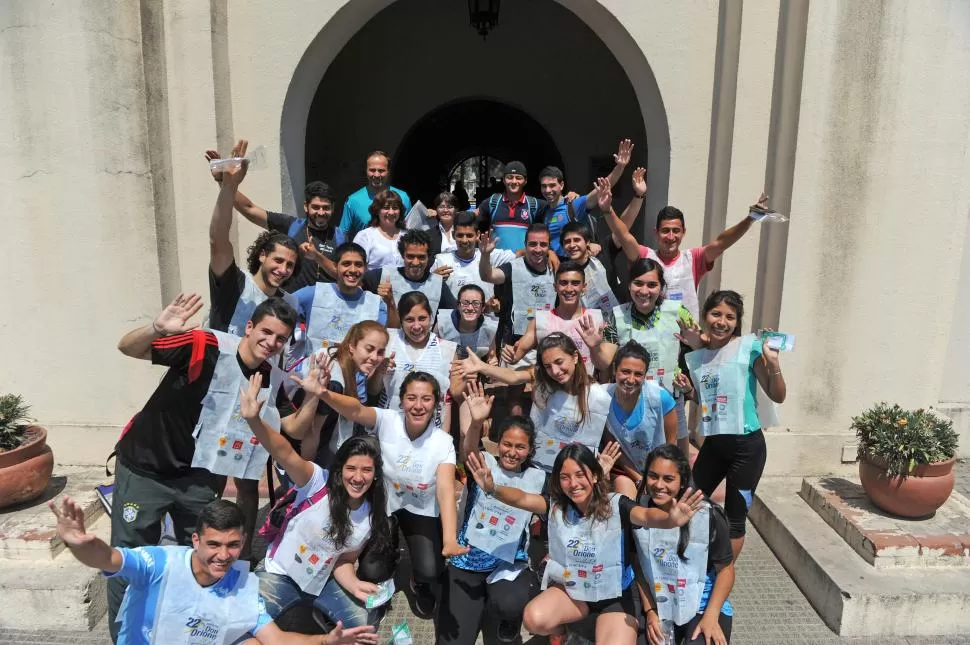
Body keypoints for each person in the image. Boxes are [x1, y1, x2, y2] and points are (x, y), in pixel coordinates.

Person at [109, 295, 316, 640]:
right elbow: (128, 348)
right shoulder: (205, 345)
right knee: (129, 561)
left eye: (281, 338)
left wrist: (314, 396)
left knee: (207, 557)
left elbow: (291, 427)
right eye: (266, 332)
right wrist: (156, 328)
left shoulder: (271, 377)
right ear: (249, 327)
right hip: (146, 468)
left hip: (202, 478)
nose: (272, 342)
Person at [50, 496, 377, 645]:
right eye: (213, 544)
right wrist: (79, 544)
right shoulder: (160, 562)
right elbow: (107, 559)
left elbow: (276, 639)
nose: (223, 555)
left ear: (244, 541)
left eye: (233, 545)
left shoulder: (244, 585)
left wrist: (326, 641)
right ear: (195, 540)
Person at [465, 443, 704, 645]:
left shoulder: (616, 505)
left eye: (580, 474)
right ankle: (561, 631)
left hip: (615, 594)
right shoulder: (557, 506)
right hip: (575, 590)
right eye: (565, 477)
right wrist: (492, 488)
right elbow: (522, 498)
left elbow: (645, 516)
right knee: (534, 619)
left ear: (595, 475)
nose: (573, 483)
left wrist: (671, 520)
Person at [311, 368, 468, 628]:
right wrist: (324, 393)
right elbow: (355, 409)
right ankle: (390, 557)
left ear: (437, 402)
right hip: (386, 506)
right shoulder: (388, 419)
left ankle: (417, 581)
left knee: (431, 571)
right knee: (371, 571)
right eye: (411, 398)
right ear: (401, 400)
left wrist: (450, 538)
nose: (418, 406)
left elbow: (445, 490)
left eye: (426, 399)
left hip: (421, 509)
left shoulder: (443, 442)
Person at [240, 365, 393, 632]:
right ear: (339, 469)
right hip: (280, 575)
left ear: (376, 475)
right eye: (351, 469)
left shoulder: (371, 512)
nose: (358, 478)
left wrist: (355, 584)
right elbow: (284, 452)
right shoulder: (317, 482)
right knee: (243, 622)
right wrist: (254, 420)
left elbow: (344, 559)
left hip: (321, 581)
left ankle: (322, 617)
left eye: (367, 470)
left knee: (365, 627)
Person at [678, 290, 787, 560]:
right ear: (705, 317)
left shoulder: (748, 348)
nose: (722, 321)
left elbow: (778, 395)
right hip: (715, 444)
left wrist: (773, 363)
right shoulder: (699, 354)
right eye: (716, 314)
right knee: (689, 502)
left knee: (735, 519)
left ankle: (722, 577)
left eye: (730, 317)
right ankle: (687, 564)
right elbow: (707, 400)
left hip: (746, 448)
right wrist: (690, 390)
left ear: (737, 322)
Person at [437, 384, 544, 645]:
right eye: (507, 444)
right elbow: (468, 452)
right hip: (467, 560)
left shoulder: (537, 477)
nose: (512, 452)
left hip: (508, 563)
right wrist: (476, 423)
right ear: (498, 443)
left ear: (530, 450)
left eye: (520, 447)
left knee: (508, 604)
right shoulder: (485, 462)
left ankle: (509, 617)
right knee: (453, 640)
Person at [578, 258, 694, 456]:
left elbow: (700, 344)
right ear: (629, 285)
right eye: (638, 283)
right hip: (631, 402)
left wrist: (694, 343)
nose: (644, 291)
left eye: (652, 285)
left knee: (676, 461)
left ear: (661, 287)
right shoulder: (615, 316)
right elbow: (604, 361)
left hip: (670, 403)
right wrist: (594, 347)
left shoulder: (678, 311)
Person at [610, 179, 769, 318]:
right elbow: (623, 235)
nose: (671, 237)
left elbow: (721, 243)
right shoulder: (645, 256)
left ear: (683, 232)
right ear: (656, 233)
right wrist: (608, 209)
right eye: (665, 231)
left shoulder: (694, 258)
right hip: (650, 335)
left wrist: (750, 219)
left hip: (685, 341)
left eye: (676, 231)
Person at [455, 333, 611, 472]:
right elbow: (513, 376)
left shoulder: (597, 394)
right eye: (548, 366)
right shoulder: (544, 380)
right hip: (538, 465)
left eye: (559, 362)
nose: (555, 371)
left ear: (575, 357)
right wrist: (482, 366)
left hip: (575, 471)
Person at [206, 142, 344, 292]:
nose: (321, 212)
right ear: (306, 206)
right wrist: (224, 182)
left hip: (324, 310)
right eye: (316, 207)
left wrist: (316, 256)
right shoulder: (290, 225)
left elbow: (341, 274)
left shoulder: (339, 236)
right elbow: (249, 209)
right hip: (290, 307)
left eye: (326, 208)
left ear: (333, 209)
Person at [633, 445, 735, 645]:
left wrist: (711, 615)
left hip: (702, 605)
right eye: (653, 476)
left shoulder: (709, 515)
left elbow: (727, 570)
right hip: (659, 604)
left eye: (668, 479)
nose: (659, 485)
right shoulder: (639, 513)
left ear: (682, 482)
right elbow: (638, 567)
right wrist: (650, 611)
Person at [205, 139, 301, 336]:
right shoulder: (235, 283)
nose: (283, 270)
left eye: (290, 265)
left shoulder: (289, 304)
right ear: (262, 255)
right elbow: (218, 239)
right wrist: (228, 186)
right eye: (278, 260)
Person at [283, 321, 390, 470]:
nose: (374, 357)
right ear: (352, 346)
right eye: (369, 349)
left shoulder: (341, 359)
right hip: (304, 458)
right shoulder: (332, 380)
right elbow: (312, 431)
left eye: (380, 352)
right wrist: (310, 477)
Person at [602, 342, 679, 499]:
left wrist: (655, 478)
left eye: (638, 374)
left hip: (659, 467)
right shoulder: (602, 398)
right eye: (625, 371)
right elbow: (615, 449)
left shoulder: (660, 397)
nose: (631, 379)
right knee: (627, 505)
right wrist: (639, 479)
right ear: (615, 370)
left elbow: (671, 443)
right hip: (624, 467)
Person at [290, 243, 392, 357]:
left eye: (358, 264)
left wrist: (391, 303)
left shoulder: (376, 304)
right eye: (346, 264)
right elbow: (280, 308)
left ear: (366, 268)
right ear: (335, 266)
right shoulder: (313, 293)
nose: (353, 270)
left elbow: (388, 336)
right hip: (314, 370)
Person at [479, 223, 556, 371]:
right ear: (525, 245)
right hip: (514, 341)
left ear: (549, 246)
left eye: (543, 245)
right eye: (533, 244)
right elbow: (487, 275)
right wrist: (485, 255)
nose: (538, 249)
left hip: (548, 339)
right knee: (514, 390)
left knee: (544, 389)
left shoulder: (556, 267)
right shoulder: (512, 267)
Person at [505, 261, 604, 376]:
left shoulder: (596, 319)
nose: (569, 289)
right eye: (563, 283)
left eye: (575, 283)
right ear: (555, 287)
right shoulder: (540, 320)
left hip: (584, 389)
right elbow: (516, 355)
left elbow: (604, 365)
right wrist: (510, 354)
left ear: (584, 287)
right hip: (550, 391)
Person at [539, 138, 633, 256]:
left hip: (575, 268)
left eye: (552, 185)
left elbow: (601, 189)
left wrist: (620, 167)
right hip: (555, 270)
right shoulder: (544, 211)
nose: (548, 190)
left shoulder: (573, 205)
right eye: (544, 186)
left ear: (561, 185)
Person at [381, 292, 459, 431]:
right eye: (409, 320)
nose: (416, 326)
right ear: (401, 320)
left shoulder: (447, 350)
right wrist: (379, 371)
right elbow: (373, 390)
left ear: (431, 317)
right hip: (391, 428)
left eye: (422, 318)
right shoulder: (388, 342)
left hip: (432, 431)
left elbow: (449, 398)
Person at [362, 229, 457, 322]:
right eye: (410, 256)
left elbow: (454, 315)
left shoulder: (438, 284)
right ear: (403, 255)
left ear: (428, 257)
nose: (415, 262)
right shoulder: (382, 276)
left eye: (421, 257)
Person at [431, 211, 515, 309]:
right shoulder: (440, 260)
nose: (464, 240)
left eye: (469, 235)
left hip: (487, 321)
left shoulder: (490, 254)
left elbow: (522, 254)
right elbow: (427, 293)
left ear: (477, 235)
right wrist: (433, 279)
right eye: (460, 235)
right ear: (453, 235)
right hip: (452, 322)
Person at [476, 161, 547, 252]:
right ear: (504, 180)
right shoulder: (492, 202)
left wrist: (570, 198)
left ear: (525, 181)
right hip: (497, 262)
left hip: (523, 262)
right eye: (510, 177)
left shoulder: (534, 205)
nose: (514, 181)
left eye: (518, 178)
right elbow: (471, 221)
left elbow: (556, 206)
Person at [340, 150, 412, 241]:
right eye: (372, 170)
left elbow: (412, 230)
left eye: (381, 170)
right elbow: (342, 235)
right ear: (366, 170)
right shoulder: (353, 201)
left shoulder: (403, 197)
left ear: (388, 171)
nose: (377, 175)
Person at [560, 217, 619, 316]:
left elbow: (622, 233)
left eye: (577, 240)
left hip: (618, 322)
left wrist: (608, 212)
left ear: (587, 242)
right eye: (567, 241)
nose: (572, 245)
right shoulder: (561, 270)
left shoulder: (602, 255)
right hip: (585, 328)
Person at [435, 284, 498, 363]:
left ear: (483, 308)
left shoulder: (490, 328)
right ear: (458, 305)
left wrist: (492, 363)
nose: (470, 308)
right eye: (465, 303)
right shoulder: (443, 323)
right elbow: (433, 354)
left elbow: (492, 357)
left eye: (476, 303)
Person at [352, 189, 406, 271]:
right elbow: (356, 267)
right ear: (377, 211)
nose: (391, 212)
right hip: (373, 283)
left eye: (395, 208)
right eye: (386, 208)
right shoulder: (365, 236)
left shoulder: (407, 235)